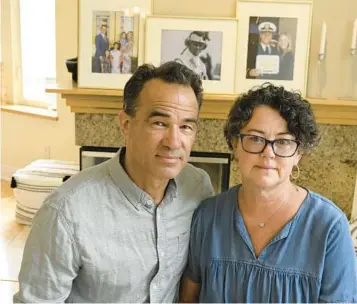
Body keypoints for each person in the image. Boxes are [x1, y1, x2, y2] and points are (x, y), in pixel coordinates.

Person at [13, 61, 214, 303]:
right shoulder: (65, 212)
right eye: (159, 123)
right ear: (126, 124)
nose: (173, 141)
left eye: (186, 127)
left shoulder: (198, 187)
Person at [180, 83, 357, 303]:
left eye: (282, 142)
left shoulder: (329, 227)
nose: (268, 153)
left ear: (298, 153)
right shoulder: (207, 217)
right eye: (255, 138)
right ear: (235, 144)